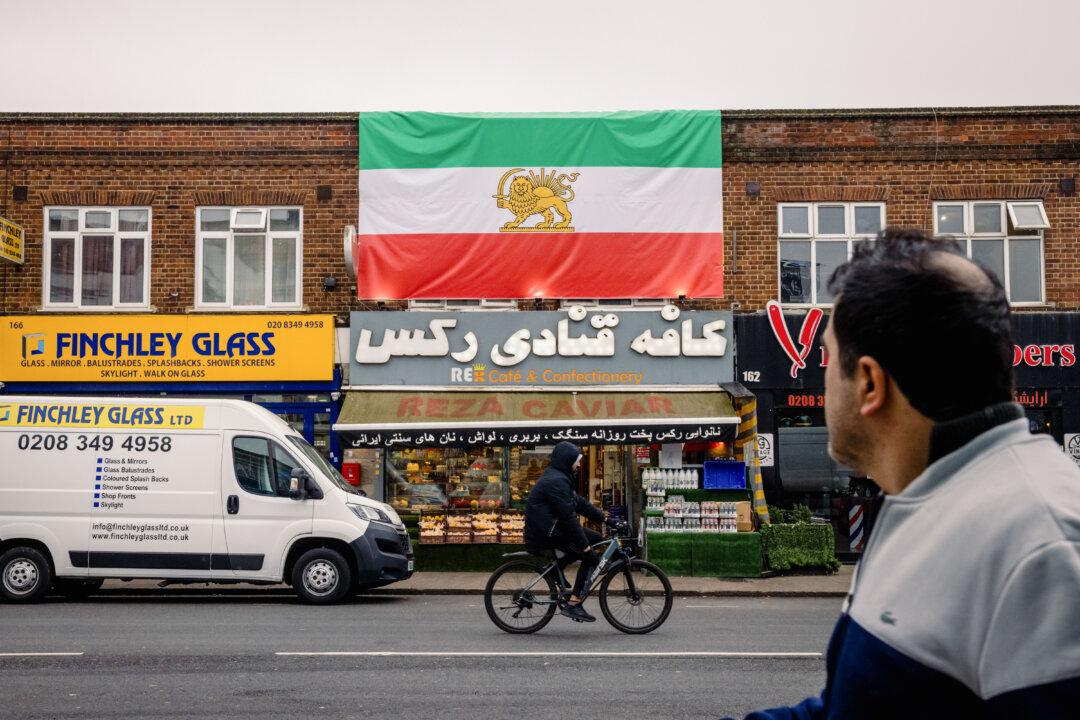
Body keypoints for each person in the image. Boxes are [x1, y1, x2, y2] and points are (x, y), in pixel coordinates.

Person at [732, 229, 1080, 718]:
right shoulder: (919, 499)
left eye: (827, 361)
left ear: (869, 383)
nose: (823, 379)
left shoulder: (1047, 547)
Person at [523, 441, 607, 622]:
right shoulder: (557, 481)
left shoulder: (560, 477)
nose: (579, 465)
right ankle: (574, 603)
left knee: (596, 538)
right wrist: (585, 547)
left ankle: (556, 568)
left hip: (552, 528)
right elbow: (569, 517)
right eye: (577, 461)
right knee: (589, 557)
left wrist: (604, 518)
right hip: (546, 533)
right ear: (567, 460)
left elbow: (579, 502)